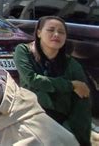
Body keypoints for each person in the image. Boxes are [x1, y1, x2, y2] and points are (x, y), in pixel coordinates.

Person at [14, 16, 92, 145]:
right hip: (32, 118)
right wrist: (70, 85)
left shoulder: (72, 65)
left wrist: (79, 138)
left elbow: (82, 107)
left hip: (61, 122)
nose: (56, 34)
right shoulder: (23, 51)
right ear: (39, 33)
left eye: (61, 32)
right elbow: (31, 79)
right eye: (51, 30)